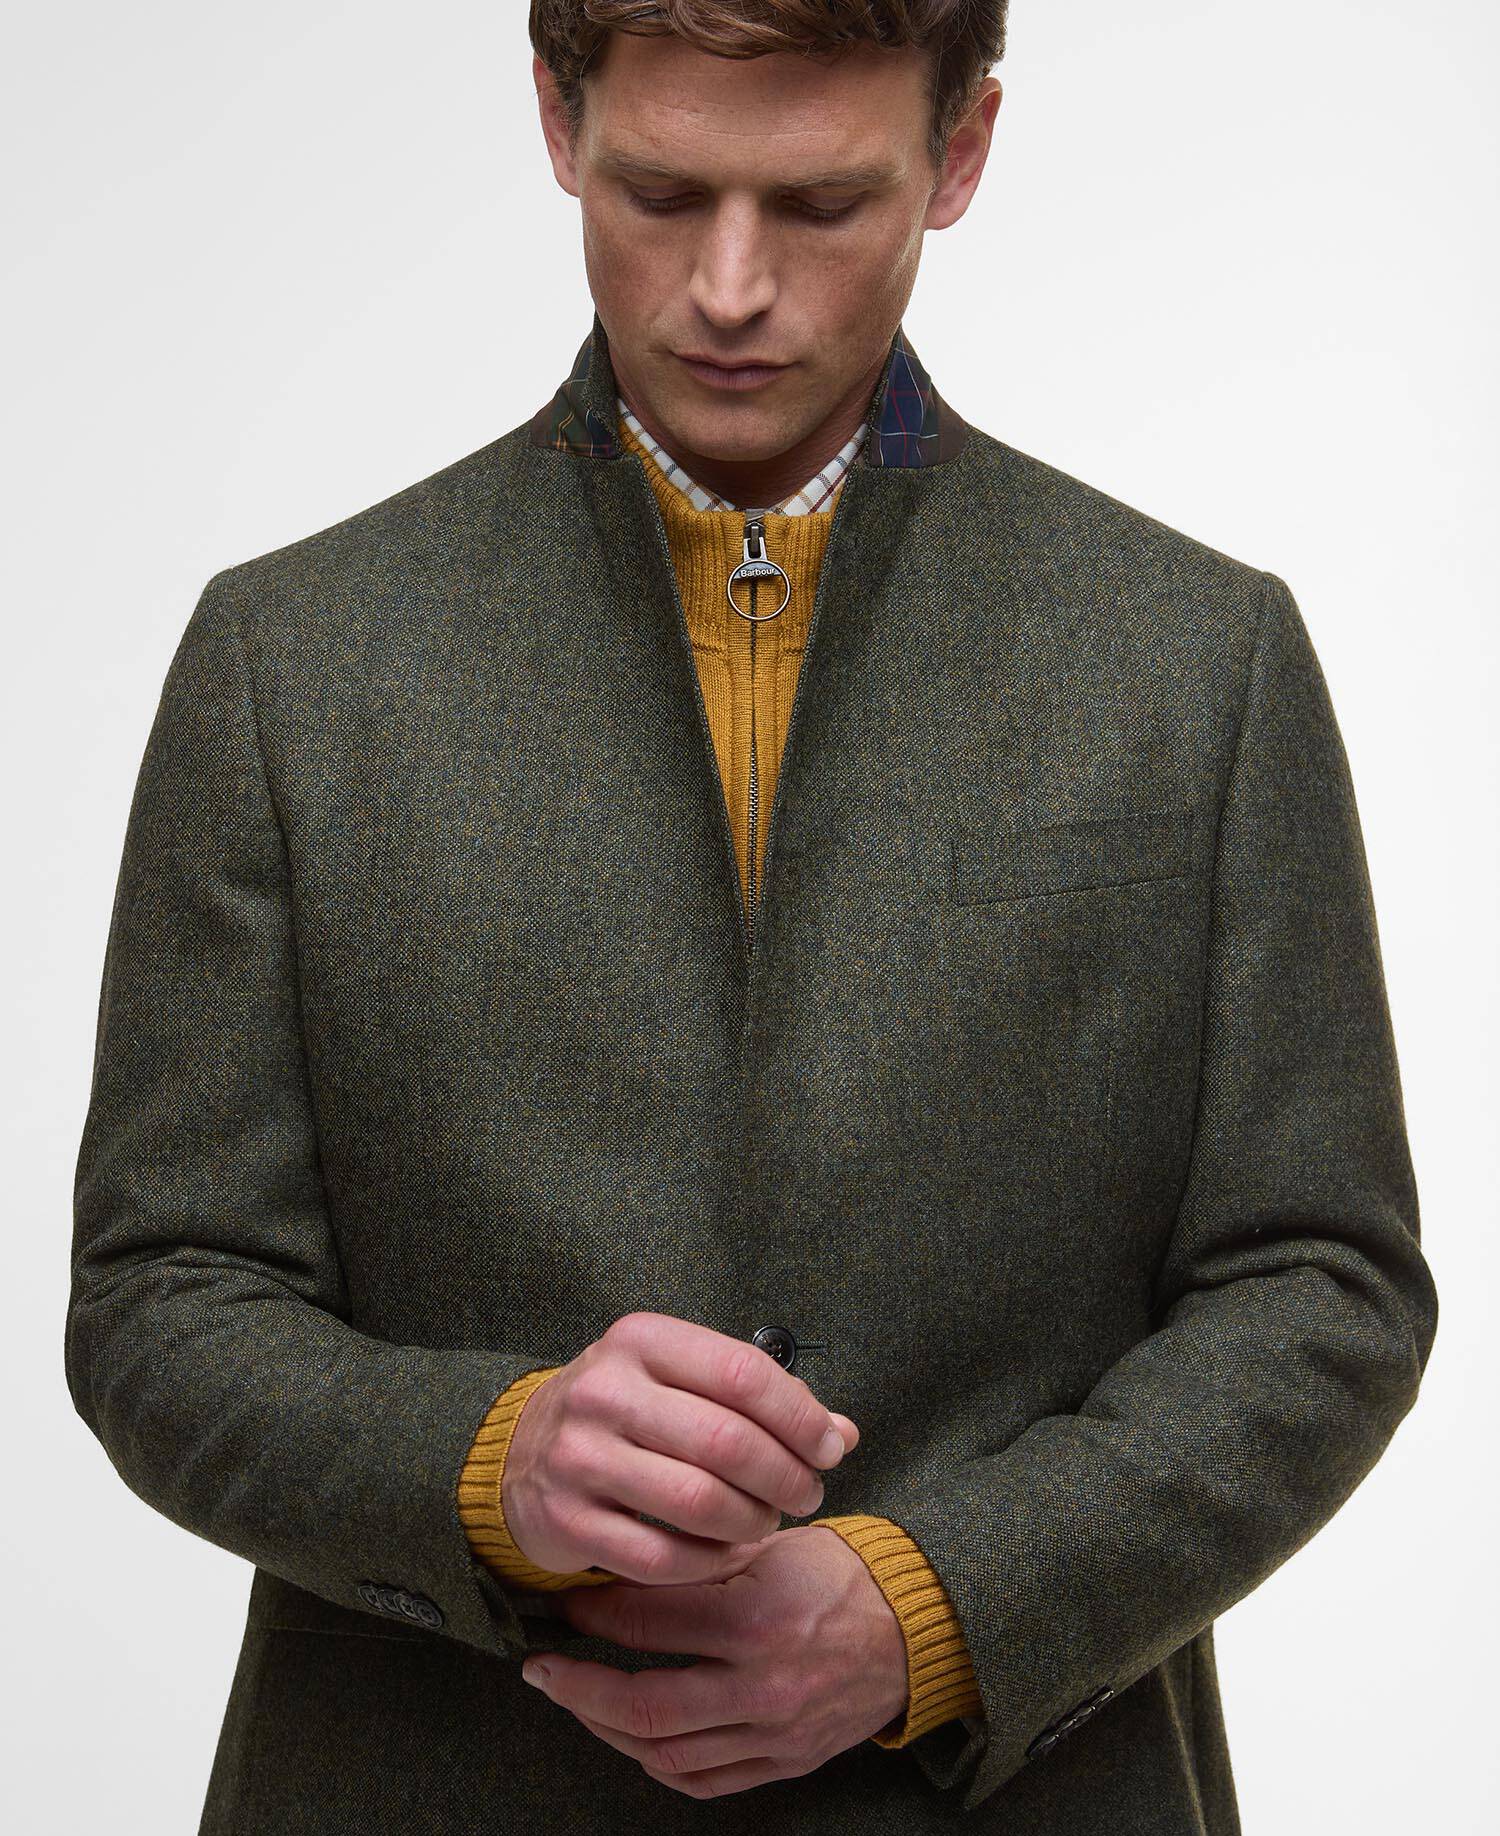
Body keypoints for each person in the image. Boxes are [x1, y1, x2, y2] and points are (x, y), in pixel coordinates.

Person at [66, 4, 1439, 1830]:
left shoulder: (1202, 660)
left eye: (819, 205)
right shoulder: (288, 662)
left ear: (961, 153)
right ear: (556, 122)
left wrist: (938, 1605)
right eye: (659, 193)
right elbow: (159, 1298)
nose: (728, 289)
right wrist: (489, 1466)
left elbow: (1323, 1288)